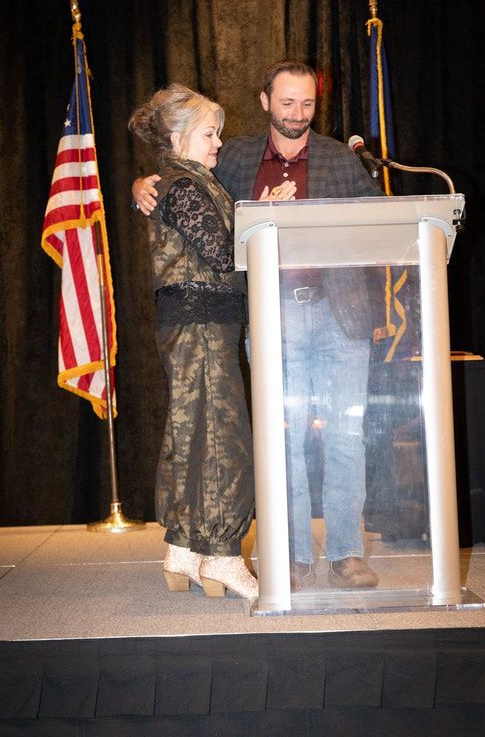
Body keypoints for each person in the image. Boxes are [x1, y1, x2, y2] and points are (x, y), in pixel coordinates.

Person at [132, 61, 382, 592]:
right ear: (265, 101)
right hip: (271, 316)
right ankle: (288, 553)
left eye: (308, 104)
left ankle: (347, 553)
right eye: (287, 103)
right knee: (279, 439)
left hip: (340, 316)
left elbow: (380, 228)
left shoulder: (342, 158)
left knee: (346, 435)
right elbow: (187, 193)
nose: (298, 114)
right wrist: (141, 184)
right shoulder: (235, 156)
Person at [129, 83, 294, 600]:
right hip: (200, 324)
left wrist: (260, 210)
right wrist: (265, 215)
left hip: (199, 324)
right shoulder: (181, 185)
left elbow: (219, 247)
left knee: (195, 434)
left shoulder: (192, 180)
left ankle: (185, 547)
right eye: (208, 133)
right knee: (222, 438)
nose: (218, 142)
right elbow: (225, 254)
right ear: (178, 137)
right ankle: (221, 553)